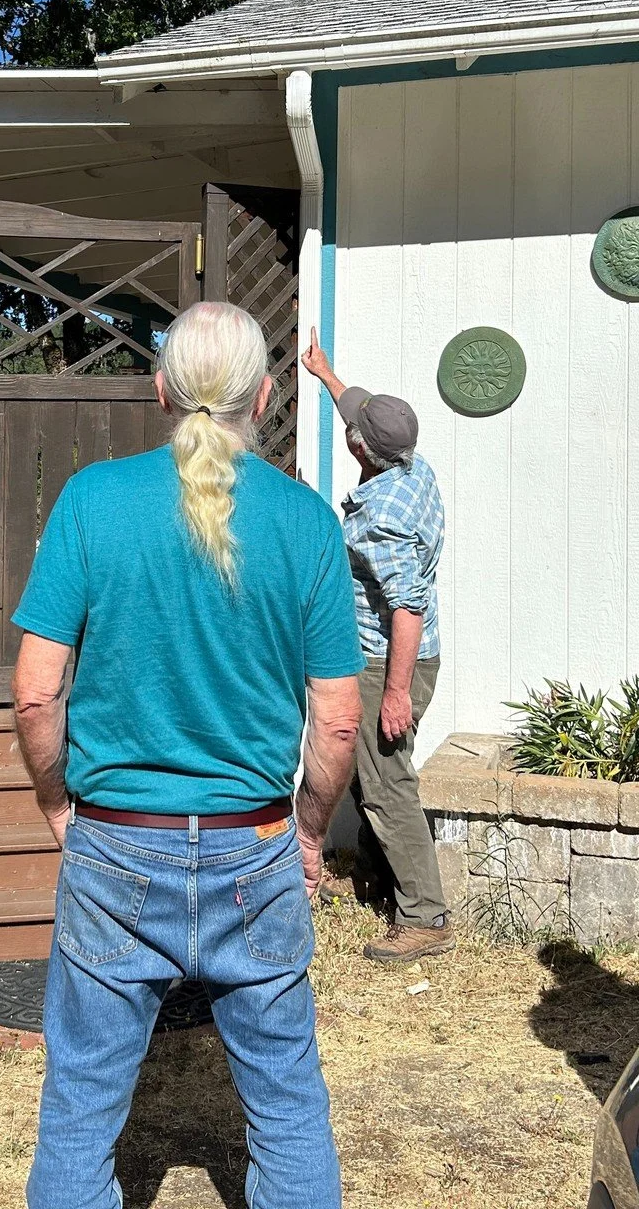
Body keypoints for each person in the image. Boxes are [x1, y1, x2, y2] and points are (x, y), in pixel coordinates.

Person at [13, 301, 364, 1209]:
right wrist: (310, 832)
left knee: (81, 1104)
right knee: (287, 1099)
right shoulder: (308, 523)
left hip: (117, 842)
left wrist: (59, 805)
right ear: (268, 394)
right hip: (256, 848)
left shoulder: (95, 499)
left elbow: (35, 690)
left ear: (161, 387)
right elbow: (336, 722)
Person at [300, 330, 453, 964]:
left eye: (354, 427)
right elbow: (362, 411)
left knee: (388, 784)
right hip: (403, 658)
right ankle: (377, 880)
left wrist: (393, 693)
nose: (351, 423)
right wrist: (327, 374)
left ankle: (426, 918)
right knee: (368, 779)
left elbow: (405, 606)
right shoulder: (411, 466)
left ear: (361, 448)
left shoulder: (381, 514)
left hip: (387, 660)